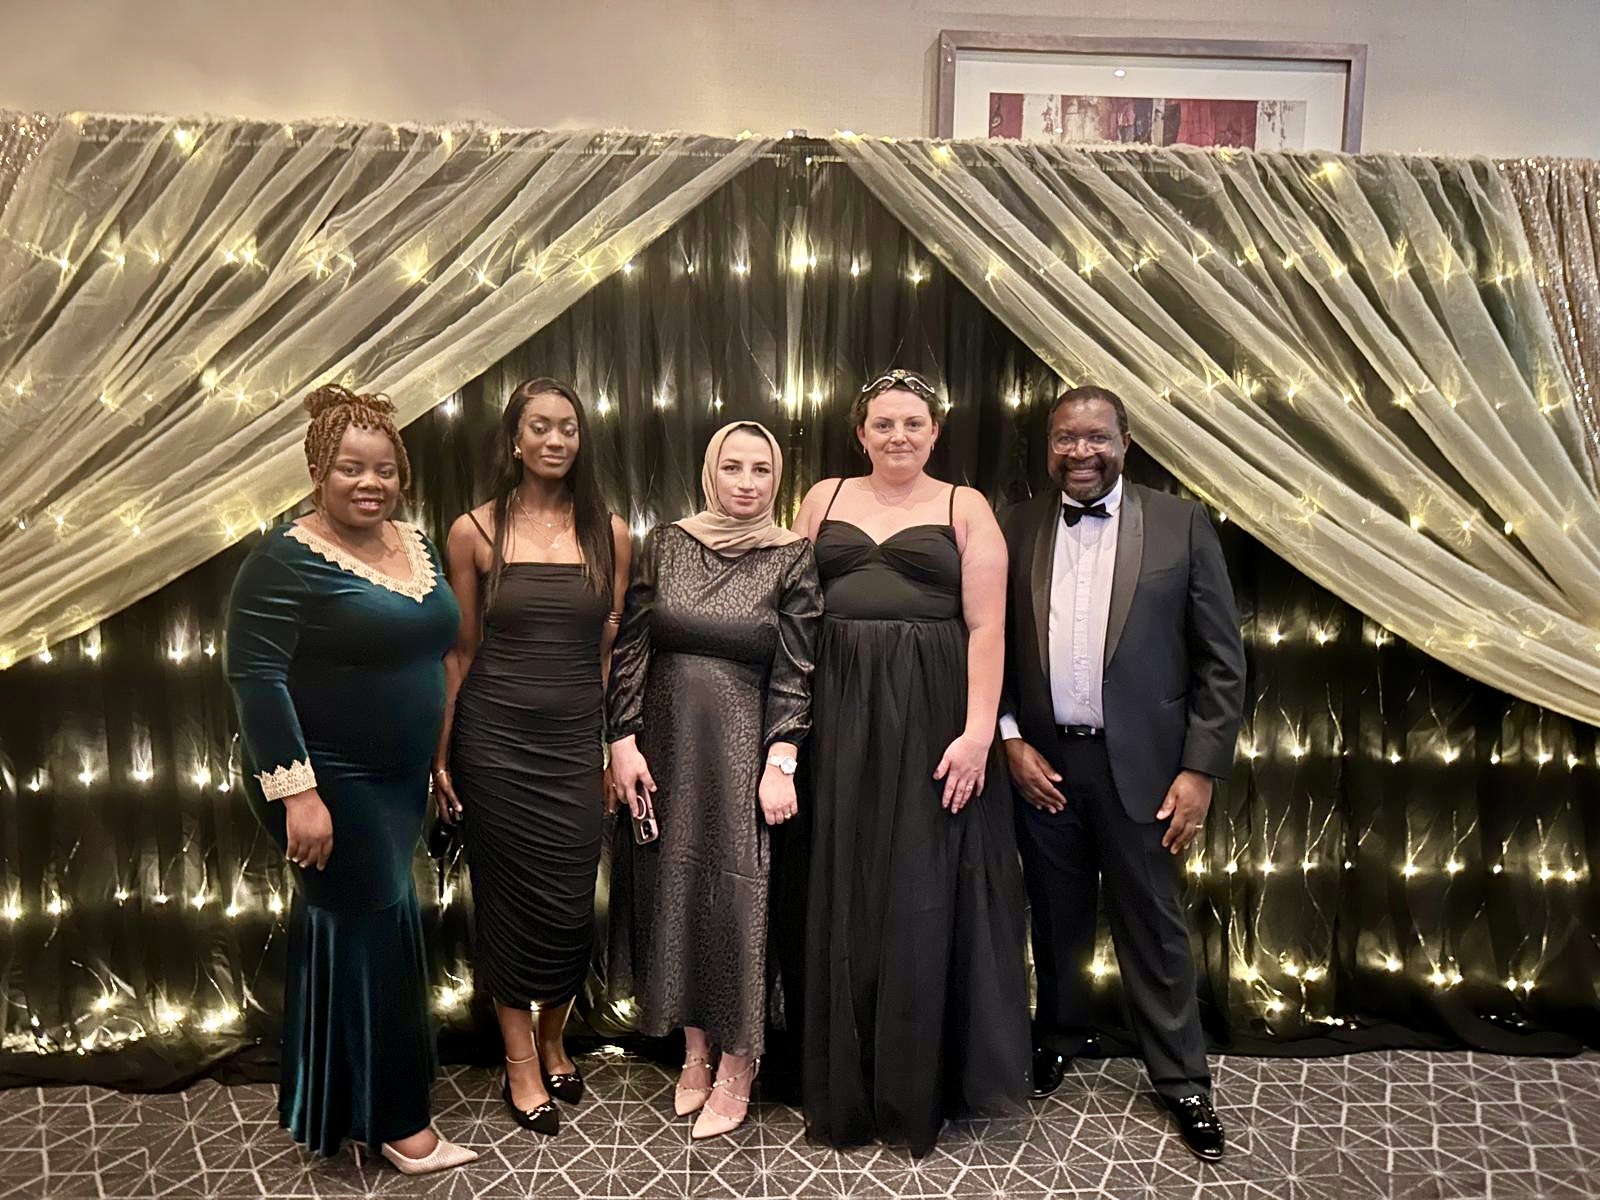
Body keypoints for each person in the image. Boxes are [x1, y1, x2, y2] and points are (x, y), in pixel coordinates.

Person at [225, 385, 476, 1175]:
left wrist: (434, 757)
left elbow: (433, 651)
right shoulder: (282, 559)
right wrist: (297, 794)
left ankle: (343, 1102)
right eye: (348, 469)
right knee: (372, 928)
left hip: (398, 779)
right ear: (316, 471)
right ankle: (399, 1125)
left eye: (384, 470)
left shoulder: (414, 541)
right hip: (327, 778)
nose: (370, 484)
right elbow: (255, 679)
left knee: (368, 933)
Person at [999, 384, 1246, 1163]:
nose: (1081, 451)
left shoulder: (1181, 523)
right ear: (1049, 444)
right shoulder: (1015, 525)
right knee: (1055, 918)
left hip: (1143, 767)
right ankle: (1060, 1037)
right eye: (1066, 437)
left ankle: (1183, 1081)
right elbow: (990, 645)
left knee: (1154, 928)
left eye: (1097, 437)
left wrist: (1200, 770)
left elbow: (1222, 662)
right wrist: (1009, 739)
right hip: (1045, 764)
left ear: (1125, 442)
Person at [791, 368, 1031, 1156]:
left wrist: (976, 734)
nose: (899, 436)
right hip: (838, 722)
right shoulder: (821, 498)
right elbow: (792, 616)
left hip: (934, 723)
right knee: (846, 888)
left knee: (920, 892)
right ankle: (845, 1083)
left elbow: (988, 630)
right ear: (860, 433)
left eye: (914, 424)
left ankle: (914, 1088)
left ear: (936, 432)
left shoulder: (966, 506)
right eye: (884, 424)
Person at [606, 421, 822, 1140]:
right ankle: (694, 1048)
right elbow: (633, 644)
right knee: (673, 890)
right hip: (664, 744)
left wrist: (780, 760)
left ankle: (740, 1060)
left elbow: (797, 669)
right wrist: (623, 740)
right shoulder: (666, 543)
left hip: (742, 747)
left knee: (738, 898)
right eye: (733, 467)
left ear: (776, 477)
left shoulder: (791, 554)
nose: (747, 482)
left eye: (761, 470)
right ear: (710, 472)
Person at [433, 378, 630, 1137]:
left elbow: (609, 657)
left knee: (572, 903)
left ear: (582, 440)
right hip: (494, 743)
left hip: (575, 744)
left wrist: (612, 749)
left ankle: (554, 1037)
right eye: (539, 427)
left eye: (568, 428)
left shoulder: (608, 531)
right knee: (508, 904)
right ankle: (521, 1060)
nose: (554, 440)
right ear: (514, 439)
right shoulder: (473, 531)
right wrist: (442, 756)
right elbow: (461, 652)